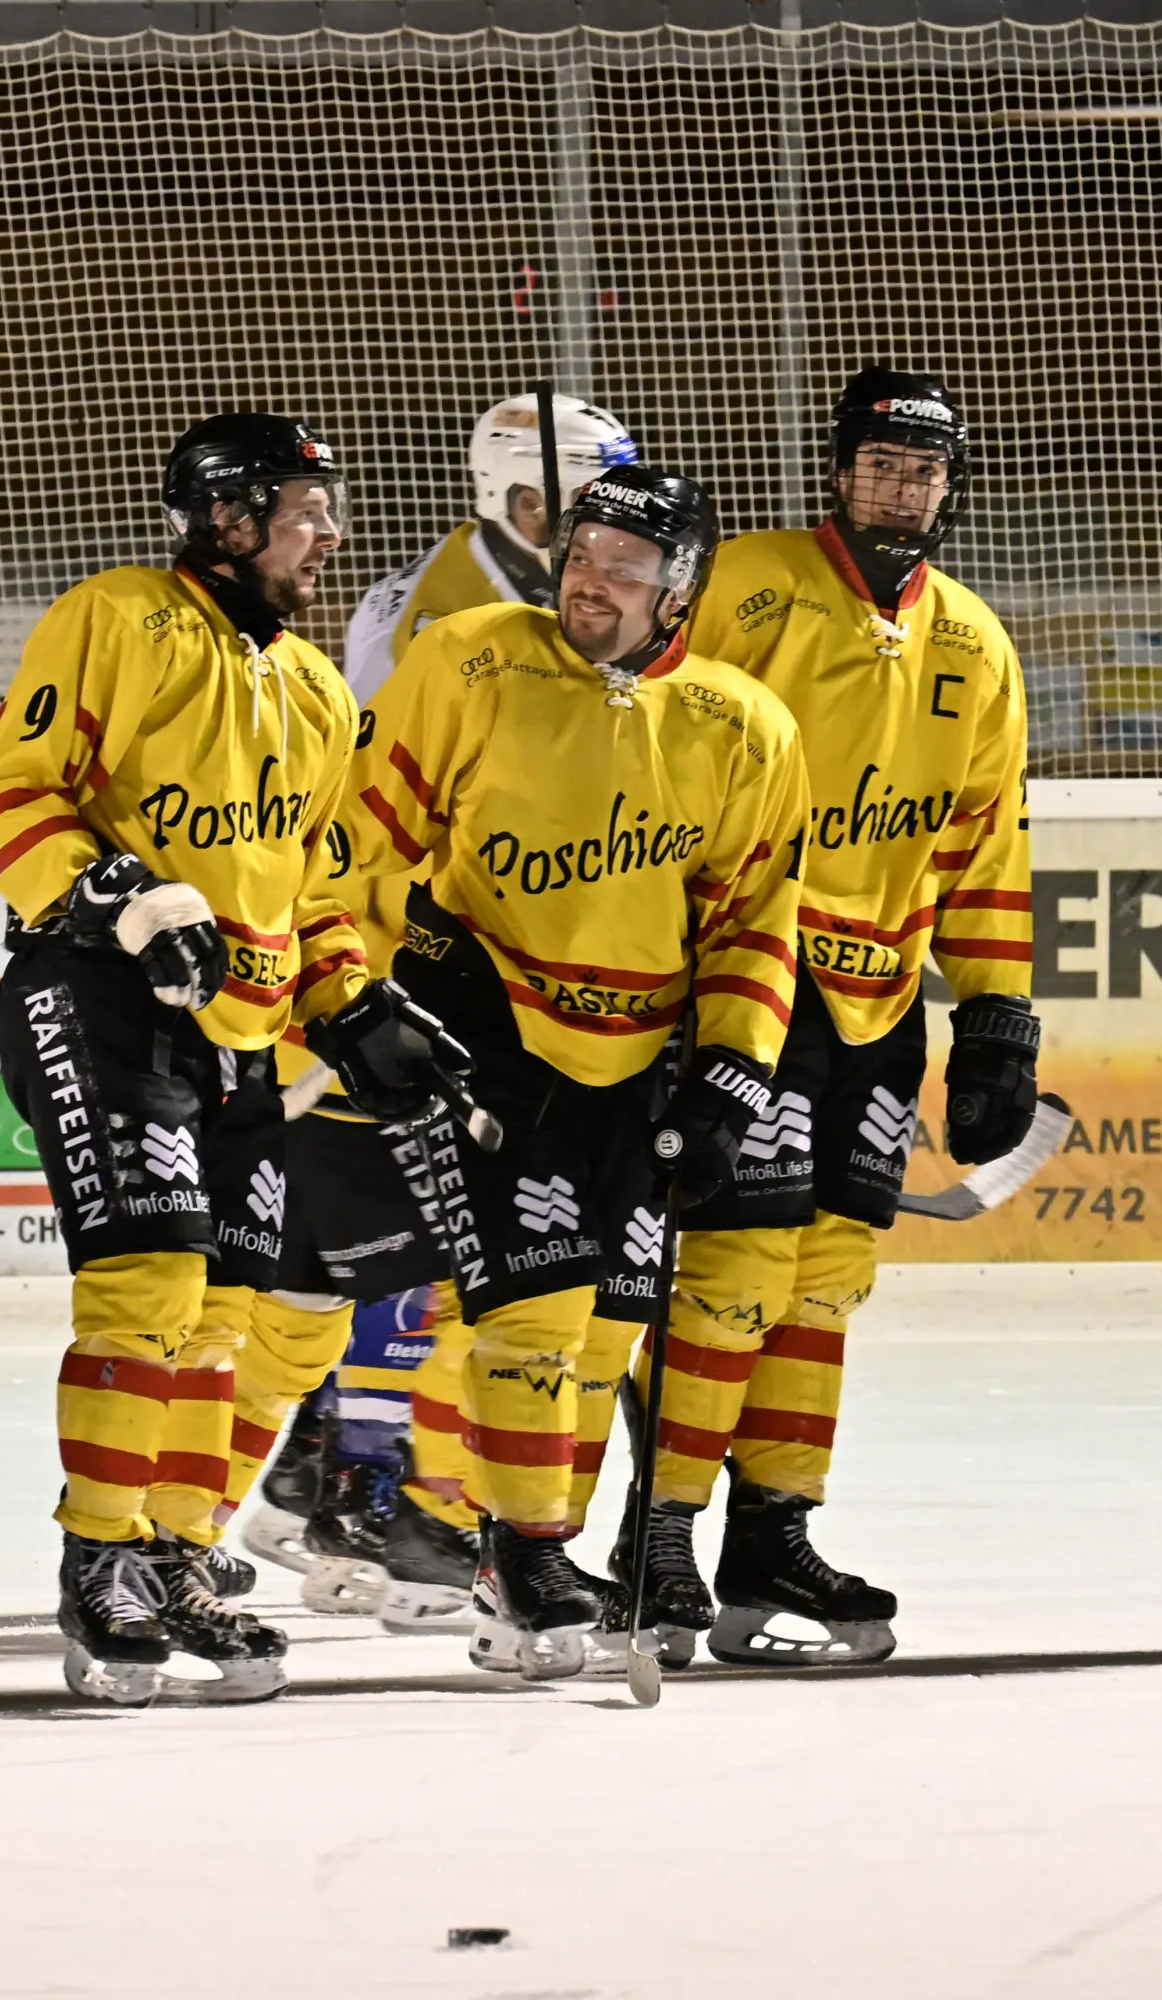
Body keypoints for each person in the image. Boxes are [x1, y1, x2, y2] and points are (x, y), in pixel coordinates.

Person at [0, 412, 443, 1707]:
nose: (329, 532)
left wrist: (355, 1004)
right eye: (305, 508)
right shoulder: (115, 619)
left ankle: (172, 1557)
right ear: (228, 518)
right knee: (149, 1288)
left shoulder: (319, 691)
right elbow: (5, 802)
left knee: (224, 1318)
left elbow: (316, 894)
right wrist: (112, 891)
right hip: (98, 997)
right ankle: (100, 1568)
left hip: (240, 1038)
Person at [336, 465, 811, 1680]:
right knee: (533, 1313)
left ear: (683, 590)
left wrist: (731, 1078)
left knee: (606, 1333)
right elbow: (360, 837)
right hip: (484, 1030)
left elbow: (756, 919)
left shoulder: (745, 724)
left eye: (626, 567)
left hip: (640, 1058)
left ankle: (518, 1542)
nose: (592, 580)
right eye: (584, 552)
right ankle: (523, 1548)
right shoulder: (472, 659)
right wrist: (357, 1000)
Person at [244, 390, 644, 1635]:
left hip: (417, 954)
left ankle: (327, 1478)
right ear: (526, 500)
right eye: (583, 507)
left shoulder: (492, 591)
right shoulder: (460, 615)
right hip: (402, 960)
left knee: (395, 1250)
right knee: (405, 1249)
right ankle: (371, 1492)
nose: (601, 540)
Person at [665, 369, 1036, 1666]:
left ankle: (770, 1536)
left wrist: (998, 1019)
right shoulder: (746, 583)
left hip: (880, 1007)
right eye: (880, 463)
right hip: (751, 984)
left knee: (825, 1283)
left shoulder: (978, 645)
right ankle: (662, 1542)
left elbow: (989, 852)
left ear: (950, 485)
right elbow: (654, 748)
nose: (902, 487)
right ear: (838, 470)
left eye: (925, 470)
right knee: (730, 1275)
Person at [342, 390, 639, 700]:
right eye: (593, 499)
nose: (614, 521)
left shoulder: (535, 568)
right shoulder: (427, 624)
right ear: (528, 504)